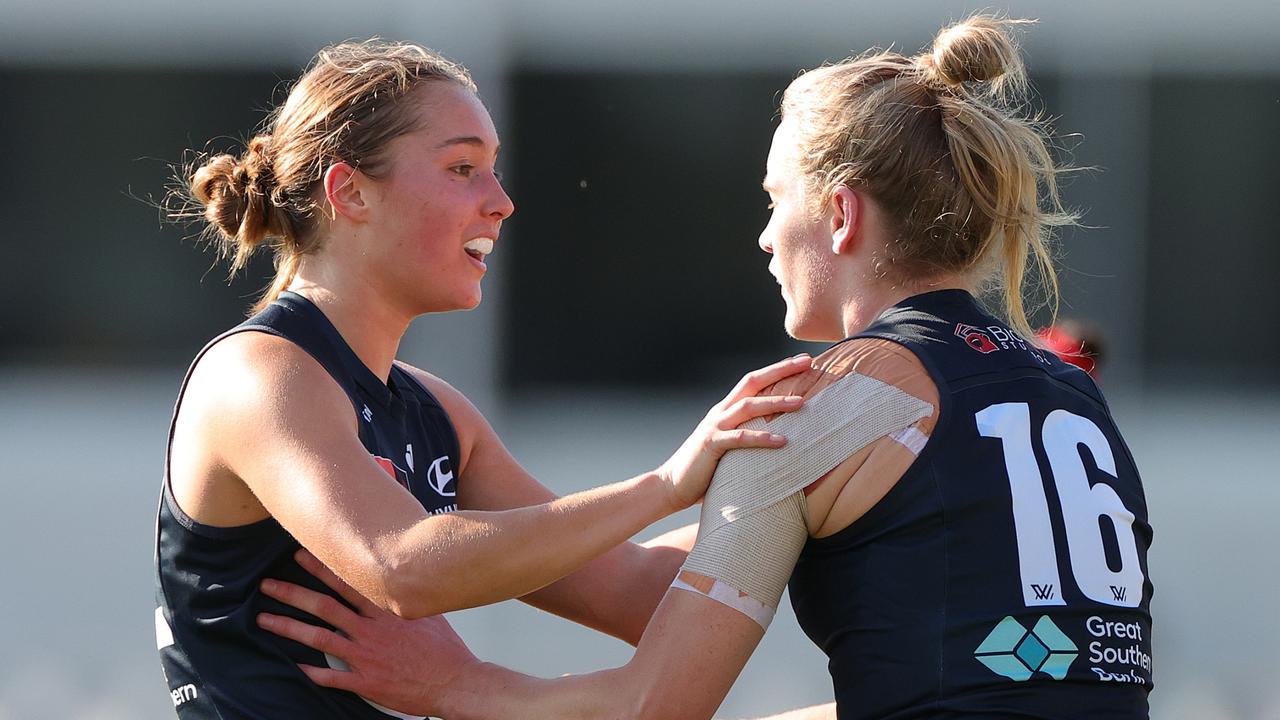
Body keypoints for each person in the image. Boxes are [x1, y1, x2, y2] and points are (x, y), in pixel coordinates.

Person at [259, 15, 1155, 720]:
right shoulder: (1072, 395)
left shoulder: (825, 407)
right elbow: (986, 685)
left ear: (840, 216)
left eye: (774, 200)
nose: (764, 236)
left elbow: (654, 705)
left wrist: (461, 686)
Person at [153, 39, 817, 719]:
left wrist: (818, 461)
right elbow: (403, 566)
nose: (500, 201)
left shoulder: (438, 412)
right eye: (463, 167)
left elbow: (640, 592)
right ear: (349, 190)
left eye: (493, 171)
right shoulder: (259, 373)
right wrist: (667, 485)